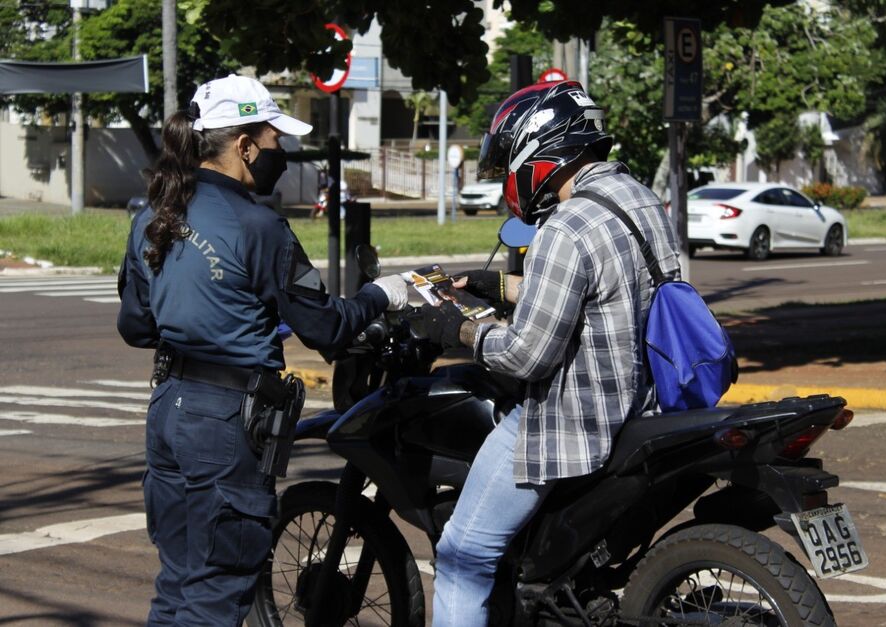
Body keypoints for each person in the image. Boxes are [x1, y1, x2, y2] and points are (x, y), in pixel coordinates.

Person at [116, 74, 408, 626]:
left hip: (170, 410)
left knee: (178, 585)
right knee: (217, 593)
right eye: (277, 142)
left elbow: (136, 326)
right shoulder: (260, 226)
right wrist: (381, 293)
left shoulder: (152, 217)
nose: (284, 154)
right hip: (227, 424)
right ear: (245, 146)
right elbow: (327, 328)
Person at [416, 81, 681, 626]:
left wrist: (456, 329)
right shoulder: (639, 199)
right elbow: (611, 292)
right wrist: (498, 286)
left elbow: (525, 357)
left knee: (463, 556)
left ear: (540, 152)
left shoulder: (567, 225)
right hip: (644, 407)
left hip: (574, 419)